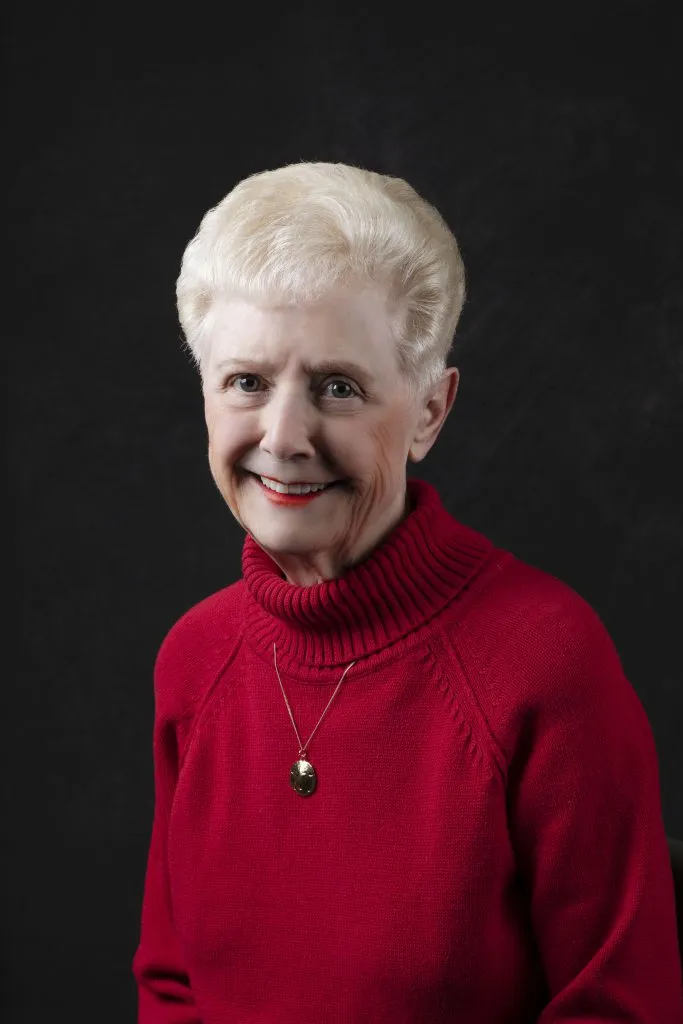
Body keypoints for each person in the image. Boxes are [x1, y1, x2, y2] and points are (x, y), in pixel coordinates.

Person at [132, 162, 683, 1022]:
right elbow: (170, 987)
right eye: (246, 381)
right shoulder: (192, 661)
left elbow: (621, 1006)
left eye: (337, 388)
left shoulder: (544, 663)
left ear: (429, 410)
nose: (283, 437)